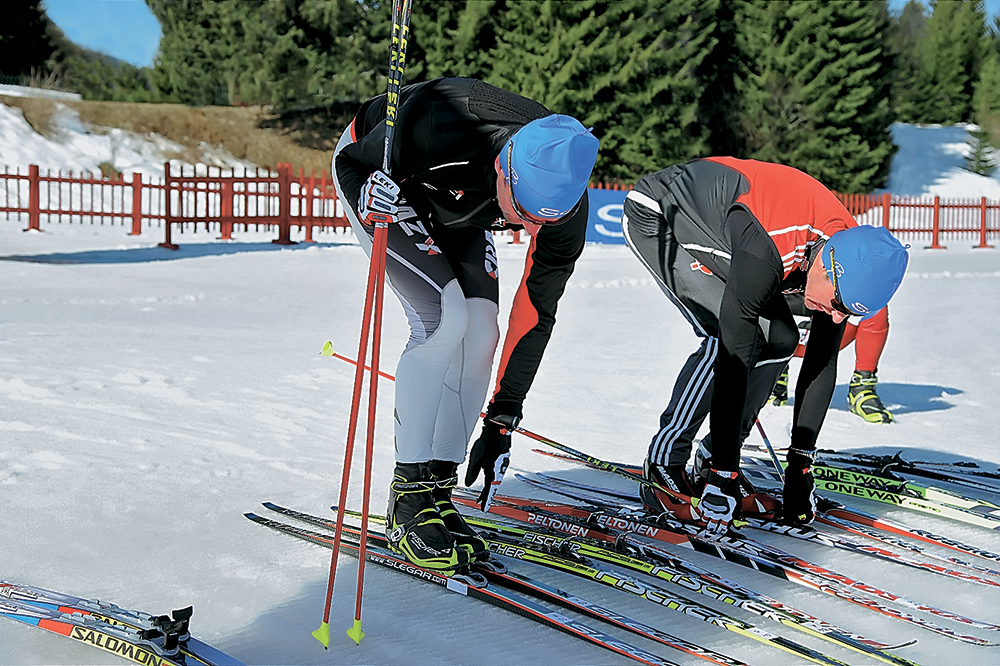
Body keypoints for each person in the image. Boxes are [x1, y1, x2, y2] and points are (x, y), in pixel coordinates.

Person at [332, 77, 599, 572]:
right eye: (521, 215)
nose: (528, 230)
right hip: (389, 182)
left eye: (542, 223)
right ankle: (407, 496)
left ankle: (436, 485)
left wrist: (502, 419)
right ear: (504, 167)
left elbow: (537, 313)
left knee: (483, 330)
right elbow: (352, 163)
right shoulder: (445, 122)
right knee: (443, 319)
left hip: (460, 210)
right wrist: (368, 192)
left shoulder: (564, 207)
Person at [620, 157, 908, 534]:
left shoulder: (849, 256)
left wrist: (800, 467)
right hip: (660, 214)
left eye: (848, 314)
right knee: (724, 336)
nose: (837, 319)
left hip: (731, 225)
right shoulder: (770, 248)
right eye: (838, 306)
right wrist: (727, 473)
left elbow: (820, 362)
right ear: (823, 268)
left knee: (783, 339)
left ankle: (712, 458)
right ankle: (664, 464)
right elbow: (734, 355)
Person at [771, 301, 895, 423]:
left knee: (875, 304)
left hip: (831, 330)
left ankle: (862, 387)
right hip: (781, 330)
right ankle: (772, 374)